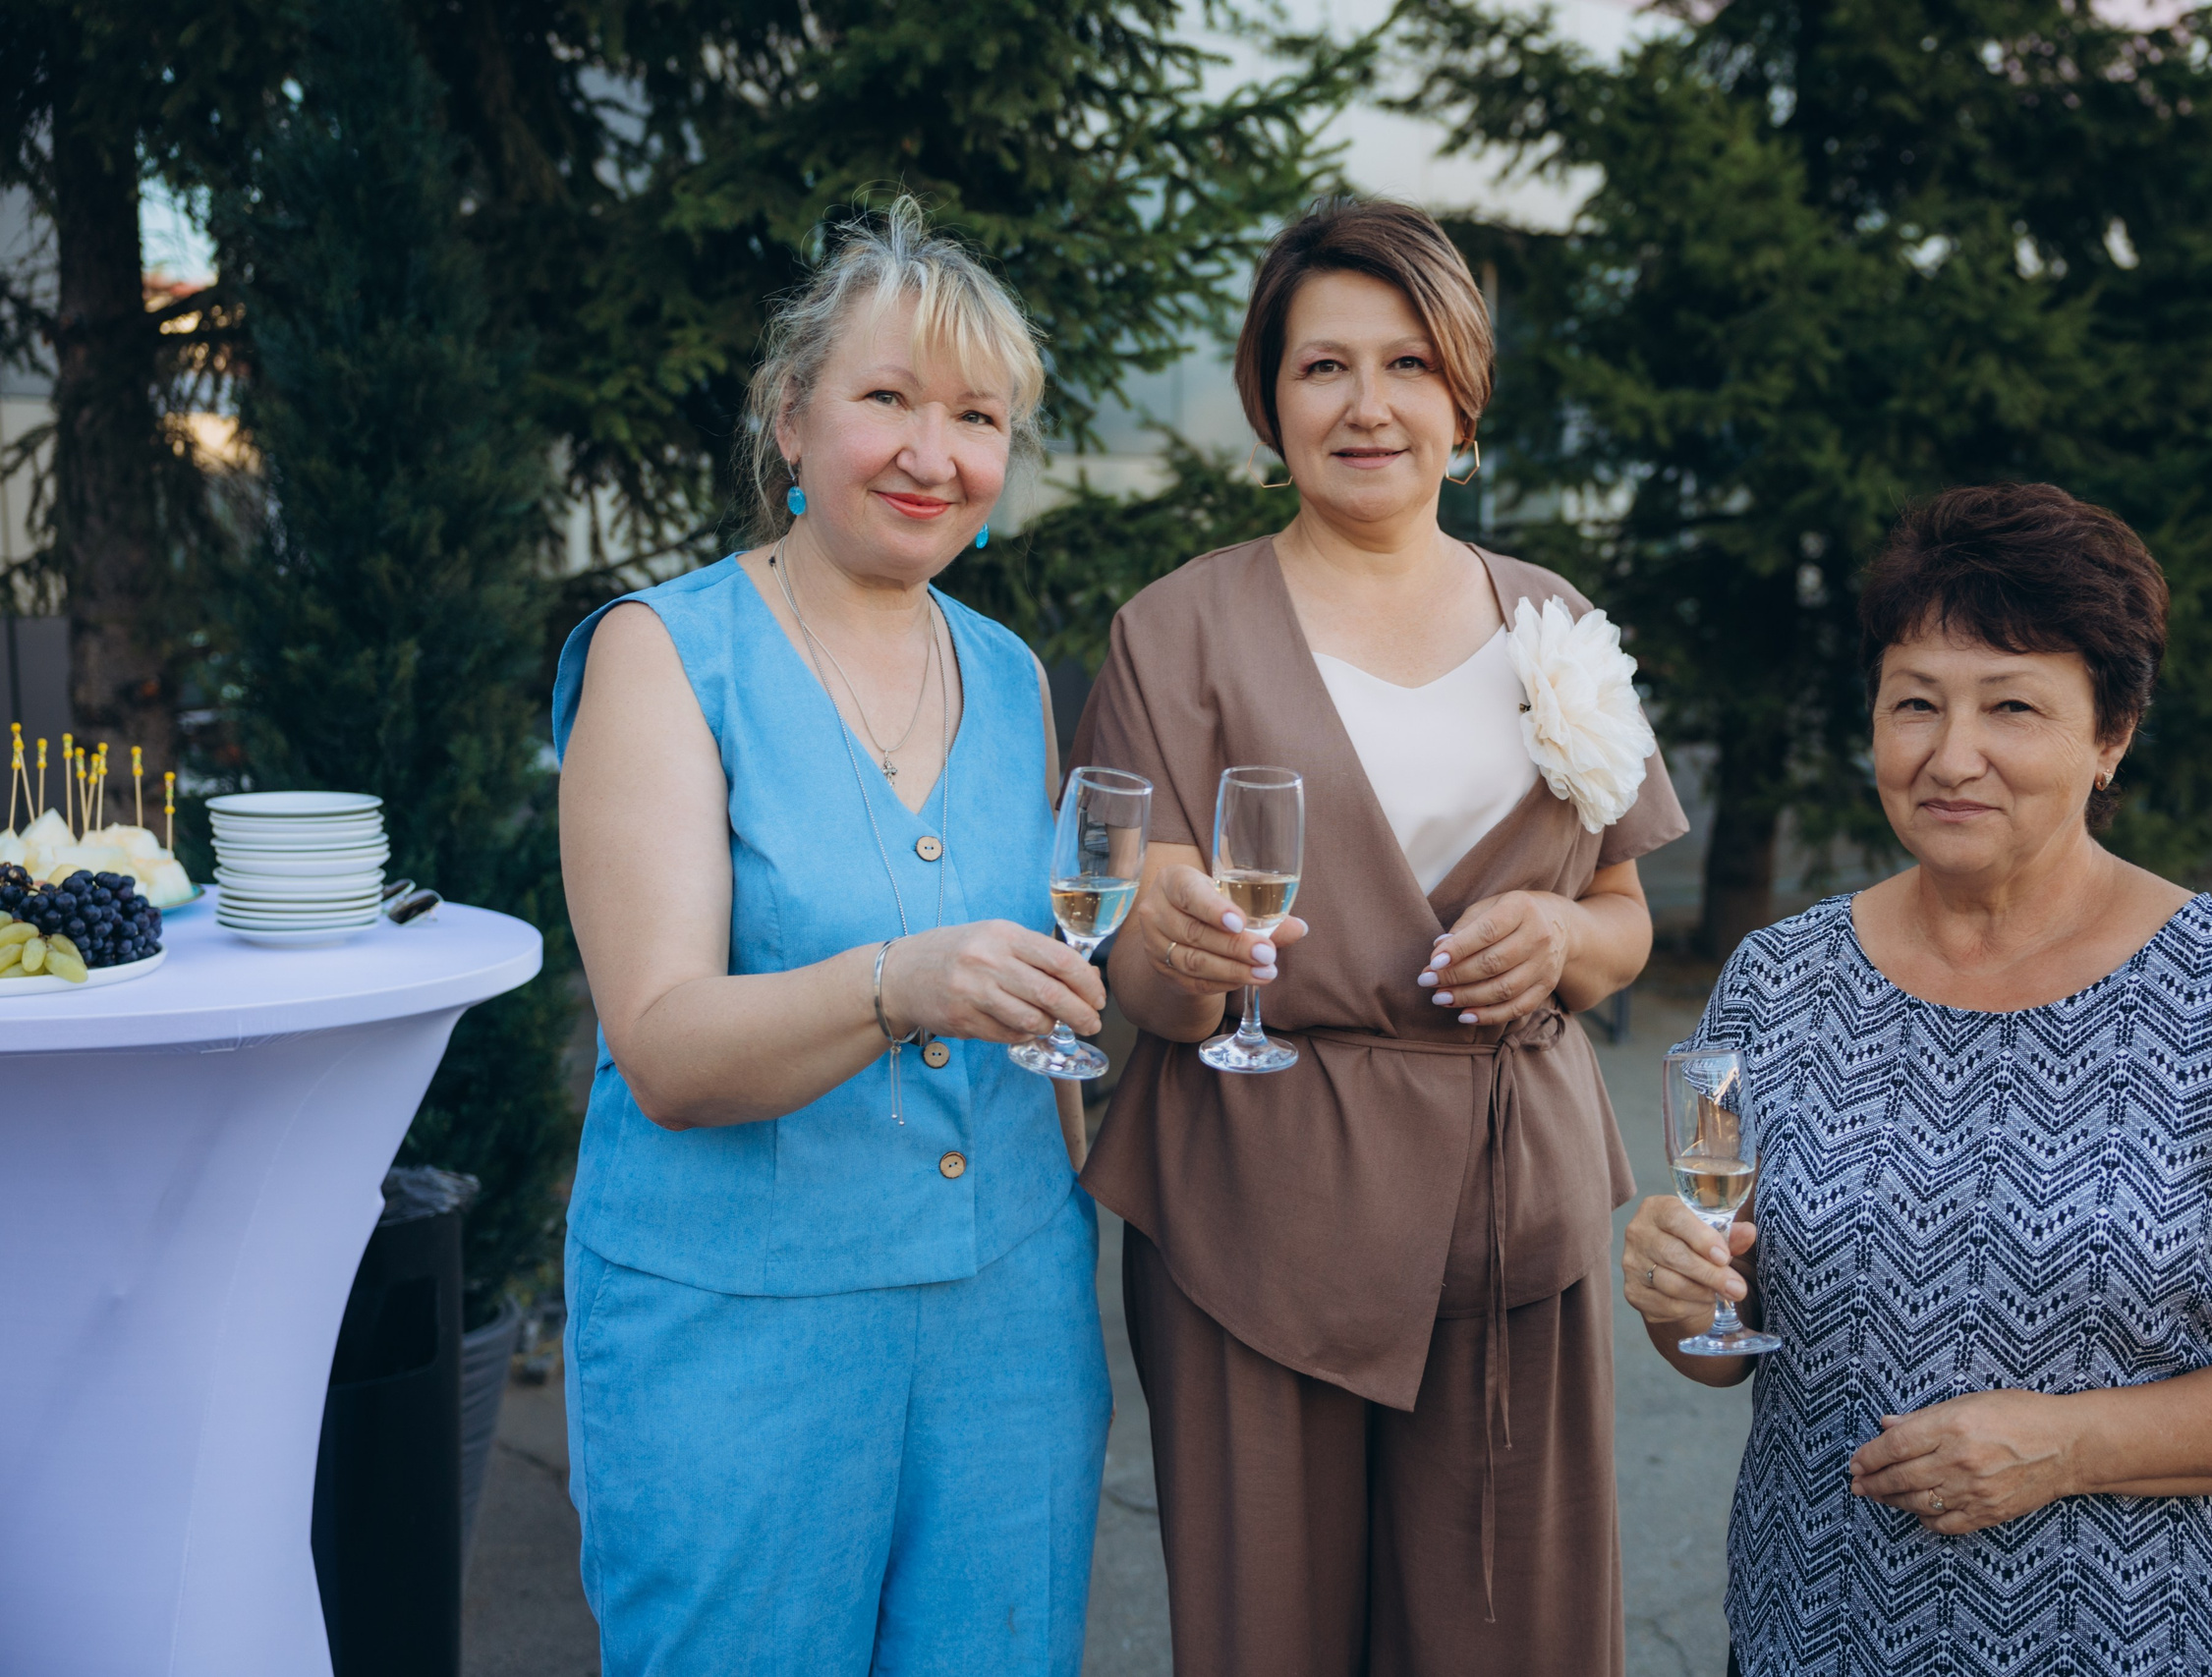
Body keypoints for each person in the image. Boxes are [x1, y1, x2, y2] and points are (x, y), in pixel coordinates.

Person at [1622, 482, 2212, 1677]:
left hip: (2135, 1645)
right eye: (1914, 705)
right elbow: (1732, 1343)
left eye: (2013, 707)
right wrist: (1678, 1301)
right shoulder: (1774, 979)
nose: (1952, 757)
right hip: (1809, 1637)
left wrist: (2072, 1445)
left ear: (2110, 738)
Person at [1071, 196, 1689, 1675]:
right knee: (1263, 1632)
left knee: (1515, 1630)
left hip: (1506, 1192)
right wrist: (1183, 949)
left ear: (1463, 396)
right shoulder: (1175, 631)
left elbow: (1627, 920)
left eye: (1409, 364)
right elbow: (1134, 966)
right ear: (1268, 397)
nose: (1368, 405)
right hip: (1256, 1195)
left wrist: (1561, 930)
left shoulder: (1556, 625)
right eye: (1323, 366)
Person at [550, 198, 1111, 1673]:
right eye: (887, 399)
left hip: (1013, 1331)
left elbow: (1054, 1011)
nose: (936, 451)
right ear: (789, 420)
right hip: (739, 1344)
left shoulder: (1010, 678)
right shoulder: (662, 654)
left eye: (978, 416)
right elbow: (664, 1047)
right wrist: (895, 982)